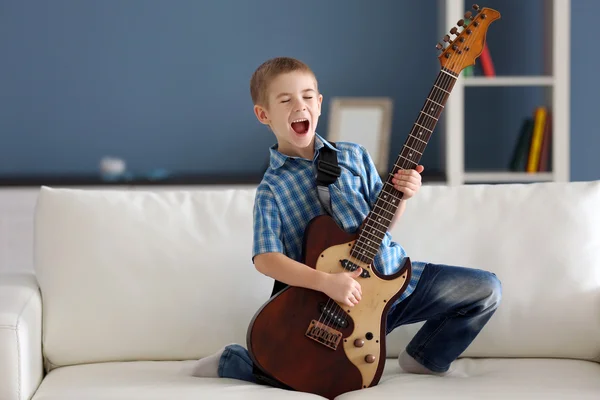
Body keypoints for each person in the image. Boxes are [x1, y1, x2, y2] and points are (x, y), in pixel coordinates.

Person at [190, 56, 501, 383]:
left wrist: (404, 195)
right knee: (321, 379)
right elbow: (267, 259)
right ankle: (233, 361)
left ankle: (425, 357)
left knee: (486, 289)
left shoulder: (354, 156)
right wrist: (327, 283)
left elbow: (381, 223)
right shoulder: (272, 189)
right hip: (335, 304)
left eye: (308, 96)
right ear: (263, 114)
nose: (300, 105)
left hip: (394, 279)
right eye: (286, 100)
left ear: (320, 104)